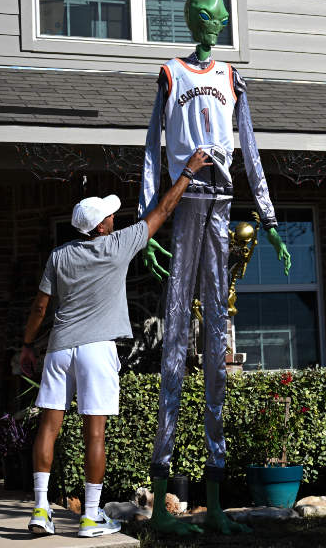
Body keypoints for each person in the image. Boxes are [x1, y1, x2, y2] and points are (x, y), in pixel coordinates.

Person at [138, 0, 292, 535]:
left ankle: (215, 501)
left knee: (217, 345)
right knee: (176, 342)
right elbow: (152, 148)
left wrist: (269, 221)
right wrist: (147, 222)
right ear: (188, 18)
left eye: (220, 18)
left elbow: (250, 149)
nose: (212, 25)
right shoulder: (170, 74)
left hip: (222, 206)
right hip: (183, 208)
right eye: (203, 16)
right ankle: (160, 499)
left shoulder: (232, 79)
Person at [20, 149, 212, 538]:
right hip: (97, 350)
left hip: (59, 347)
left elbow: (41, 307)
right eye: (109, 215)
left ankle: (41, 511)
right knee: (95, 433)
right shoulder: (118, 245)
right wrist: (189, 172)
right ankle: (91, 516)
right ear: (101, 228)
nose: (113, 217)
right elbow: (164, 209)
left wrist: (26, 345)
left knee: (48, 427)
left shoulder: (58, 257)